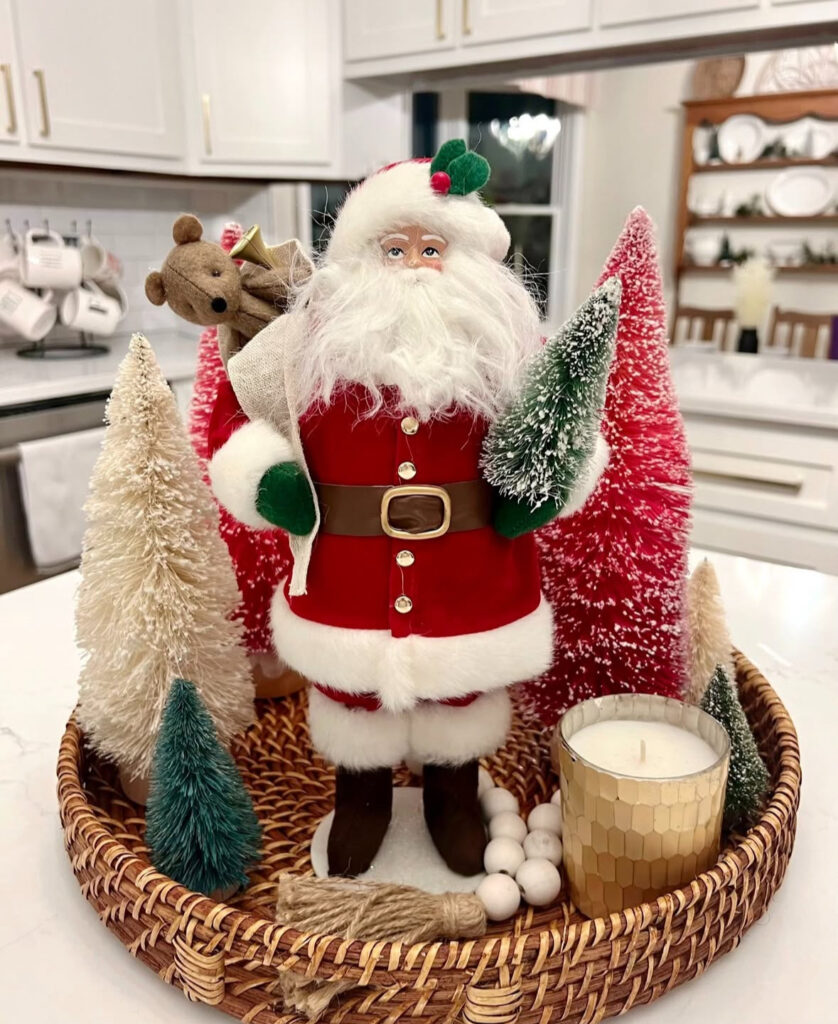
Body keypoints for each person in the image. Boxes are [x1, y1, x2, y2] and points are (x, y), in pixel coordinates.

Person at [209, 143, 605, 877]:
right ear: (360, 258)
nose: (418, 263)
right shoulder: (305, 351)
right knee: (352, 700)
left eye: (434, 246)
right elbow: (248, 424)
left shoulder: (510, 353)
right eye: (396, 247)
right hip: (347, 578)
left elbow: (564, 429)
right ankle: (362, 800)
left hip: (471, 575)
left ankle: (451, 797)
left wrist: (547, 486)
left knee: (460, 701)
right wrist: (265, 480)